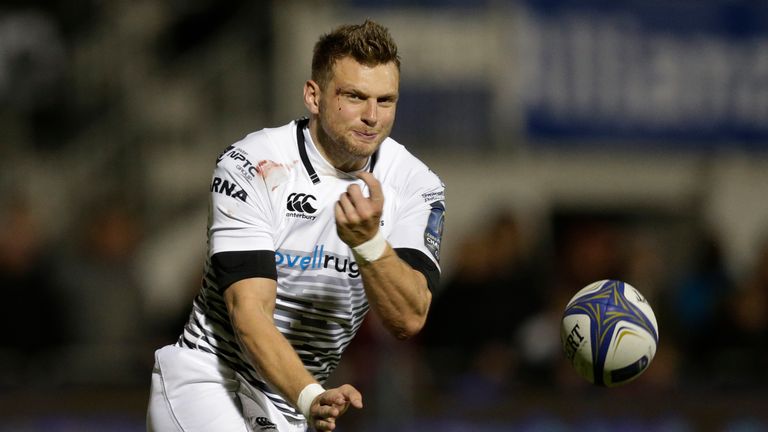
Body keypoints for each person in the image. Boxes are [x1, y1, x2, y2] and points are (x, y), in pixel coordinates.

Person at [147, 19, 445, 432]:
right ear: (313, 96)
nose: (372, 116)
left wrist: (370, 244)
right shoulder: (252, 164)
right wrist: (309, 395)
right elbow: (247, 311)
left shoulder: (416, 185)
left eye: (386, 100)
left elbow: (408, 318)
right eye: (355, 97)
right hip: (211, 379)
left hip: (291, 400)